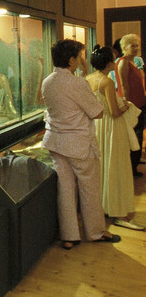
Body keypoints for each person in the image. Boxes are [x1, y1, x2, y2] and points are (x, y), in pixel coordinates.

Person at [41, 39, 120, 249]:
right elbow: (98, 112)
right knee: (90, 188)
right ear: (71, 60)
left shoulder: (48, 81)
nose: (81, 60)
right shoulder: (76, 83)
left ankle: (69, 236)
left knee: (65, 189)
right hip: (78, 144)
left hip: (56, 142)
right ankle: (95, 232)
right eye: (79, 57)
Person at [86, 45, 144, 230]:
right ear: (108, 63)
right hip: (111, 128)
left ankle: (104, 207)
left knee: (103, 167)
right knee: (117, 167)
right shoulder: (106, 82)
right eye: (112, 59)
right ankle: (118, 211)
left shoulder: (88, 78)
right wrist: (127, 106)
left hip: (98, 126)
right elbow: (115, 112)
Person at [116, 34, 146, 177]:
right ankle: (131, 168)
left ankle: (134, 164)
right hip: (132, 104)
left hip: (140, 103)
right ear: (124, 47)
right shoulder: (123, 62)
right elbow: (123, 85)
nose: (135, 48)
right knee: (135, 135)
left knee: (139, 134)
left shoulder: (134, 62)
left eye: (136, 45)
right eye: (132, 45)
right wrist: (127, 103)